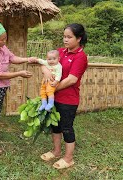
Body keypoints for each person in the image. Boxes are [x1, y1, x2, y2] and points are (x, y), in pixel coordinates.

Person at [0, 20, 36, 154]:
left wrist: (27, 59)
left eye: (6, 38)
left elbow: (12, 58)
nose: (4, 41)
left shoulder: (1, 47)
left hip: (0, 86)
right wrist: (20, 73)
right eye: (2, 40)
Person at [39, 23, 88, 169]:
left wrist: (52, 90)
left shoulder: (80, 56)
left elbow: (72, 79)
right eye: (64, 36)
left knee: (66, 127)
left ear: (78, 38)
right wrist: (45, 71)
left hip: (68, 99)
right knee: (55, 126)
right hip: (55, 97)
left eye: (69, 37)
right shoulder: (60, 52)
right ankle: (56, 151)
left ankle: (68, 158)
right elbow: (45, 62)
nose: (65, 40)